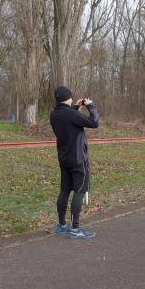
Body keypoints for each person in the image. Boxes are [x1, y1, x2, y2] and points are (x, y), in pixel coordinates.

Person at [49, 86, 99, 238]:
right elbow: (94, 122)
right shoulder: (70, 113)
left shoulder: (54, 114)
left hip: (64, 158)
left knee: (64, 191)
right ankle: (75, 230)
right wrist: (90, 106)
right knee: (80, 191)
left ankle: (62, 225)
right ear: (69, 98)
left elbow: (68, 118)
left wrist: (76, 107)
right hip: (78, 159)